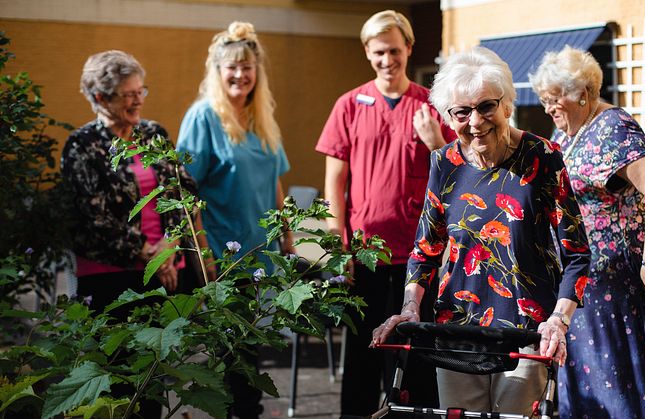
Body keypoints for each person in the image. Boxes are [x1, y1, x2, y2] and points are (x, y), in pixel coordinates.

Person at [371, 46, 591, 416]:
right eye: (462, 112)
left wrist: (559, 319)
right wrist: (410, 307)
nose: (475, 122)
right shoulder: (444, 163)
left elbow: (577, 254)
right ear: (448, 116)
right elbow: (426, 249)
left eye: (486, 106)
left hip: (525, 331)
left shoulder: (543, 156)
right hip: (456, 329)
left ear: (507, 105)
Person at [529, 45, 645, 418]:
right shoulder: (570, 131)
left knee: (621, 384)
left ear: (584, 94)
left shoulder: (613, 128)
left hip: (617, 290)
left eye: (554, 100)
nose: (548, 109)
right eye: (544, 101)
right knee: (592, 384)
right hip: (584, 285)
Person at [315, 10, 456, 416]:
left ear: (409, 49)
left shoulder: (431, 108)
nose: (387, 59)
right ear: (367, 52)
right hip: (364, 256)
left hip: (418, 258)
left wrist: (434, 144)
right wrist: (337, 246)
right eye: (379, 52)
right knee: (362, 354)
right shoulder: (348, 105)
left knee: (413, 359)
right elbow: (334, 185)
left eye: (394, 50)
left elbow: (457, 179)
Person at [61, 49, 205, 418]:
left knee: (156, 378)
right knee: (118, 380)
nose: (138, 99)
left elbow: (184, 193)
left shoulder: (153, 133)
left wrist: (170, 247)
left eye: (141, 91)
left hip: (169, 271)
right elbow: (92, 217)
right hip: (113, 278)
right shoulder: (82, 145)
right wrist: (150, 254)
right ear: (99, 98)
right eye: (128, 94)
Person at [176, 21, 293, 419]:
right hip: (223, 257)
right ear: (217, 71)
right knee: (235, 353)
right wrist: (203, 258)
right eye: (232, 67)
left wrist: (288, 241)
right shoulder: (203, 118)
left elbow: (275, 183)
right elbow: (185, 193)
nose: (240, 75)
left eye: (247, 67)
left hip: (261, 254)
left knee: (248, 347)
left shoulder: (262, 118)